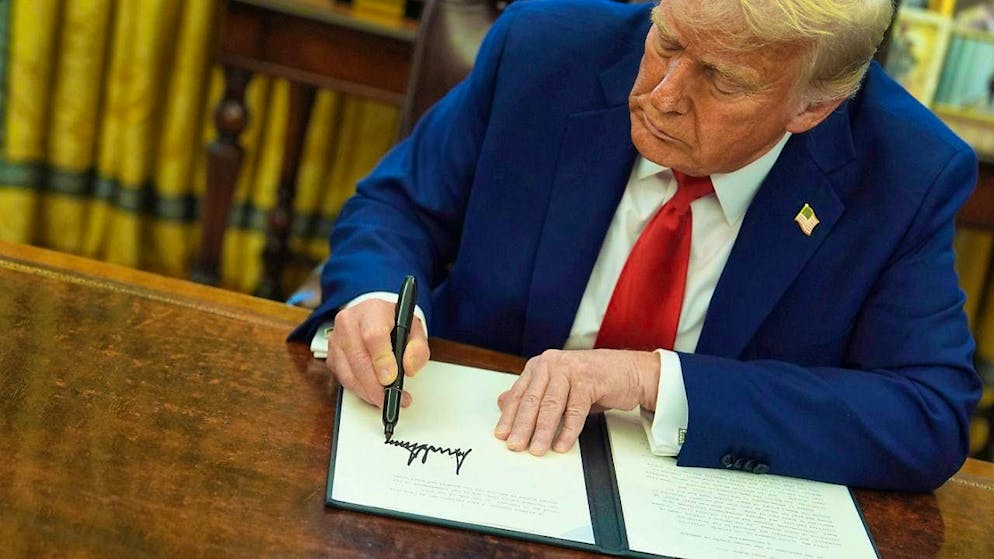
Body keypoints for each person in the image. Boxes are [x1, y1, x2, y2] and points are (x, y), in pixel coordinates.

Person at [290, 0, 982, 491]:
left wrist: (652, 379)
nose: (662, 93)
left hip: (700, 503)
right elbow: (398, 205)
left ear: (813, 107)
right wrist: (380, 296)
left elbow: (925, 412)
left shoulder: (905, 172)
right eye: (669, 41)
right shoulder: (543, 50)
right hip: (465, 458)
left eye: (721, 79)